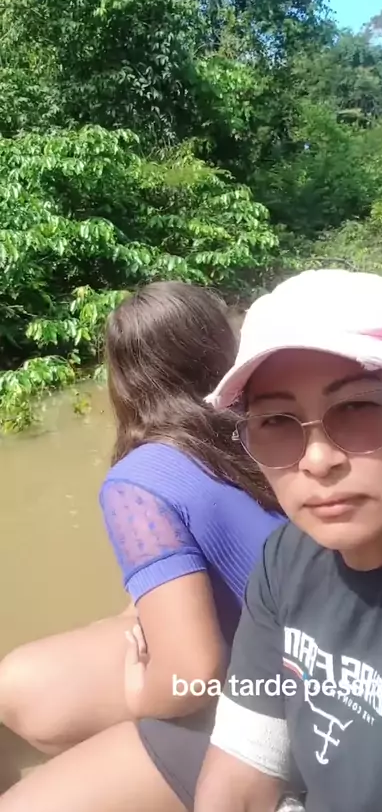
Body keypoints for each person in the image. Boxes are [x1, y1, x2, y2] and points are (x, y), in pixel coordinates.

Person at [194, 268, 382, 812]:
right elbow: (242, 769)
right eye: (276, 421)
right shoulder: (285, 558)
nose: (319, 460)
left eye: (357, 408)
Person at [0, 280, 288, 812]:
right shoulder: (267, 431)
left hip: (267, 701)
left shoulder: (138, 482)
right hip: (306, 659)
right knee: (13, 685)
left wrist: (139, 694)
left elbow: (194, 675)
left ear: (124, 376)